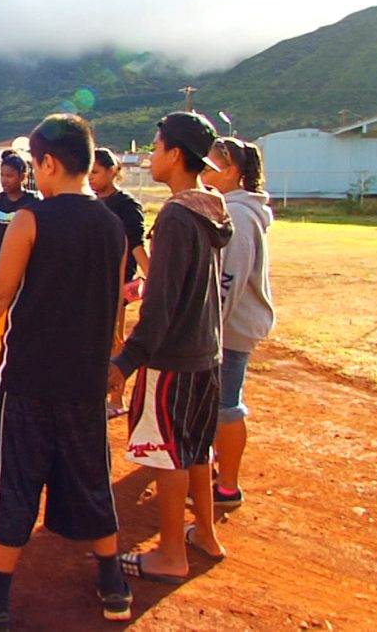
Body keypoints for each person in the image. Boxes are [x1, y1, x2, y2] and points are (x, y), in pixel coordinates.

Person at [0, 114, 132, 628]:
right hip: (85, 383)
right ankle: (114, 586)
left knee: (14, 485)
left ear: (49, 163)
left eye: (35, 163)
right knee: (93, 477)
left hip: (27, 381)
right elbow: (114, 306)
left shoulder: (33, 219)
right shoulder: (112, 225)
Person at [108, 111, 233, 582]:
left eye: (157, 147)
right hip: (206, 351)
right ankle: (205, 533)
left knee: (167, 453)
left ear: (175, 154)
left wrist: (125, 361)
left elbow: (160, 309)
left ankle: (169, 556)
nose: (152, 156)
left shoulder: (179, 215)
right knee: (196, 448)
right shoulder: (211, 207)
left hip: (173, 359)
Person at [200, 136, 274, 510]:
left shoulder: (240, 215)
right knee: (216, 403)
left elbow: (230, 277)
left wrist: (210, 330)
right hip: (222, 327)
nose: (204, 171)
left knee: (227, 406)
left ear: (230, 171)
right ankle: (214, 470)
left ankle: (227, 486)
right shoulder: (230, 208)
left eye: (211, 165)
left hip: (227, 330)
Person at [89, 147, 151, 418]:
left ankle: (117, 398)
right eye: (88, 172)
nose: (91, 178)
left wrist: (154, 279)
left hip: (118, 281)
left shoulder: (126, 205)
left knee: (115, 338)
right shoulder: (91, 202)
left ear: (113, 171)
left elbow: (136, 244)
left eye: (96, 172)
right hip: (92, 278)